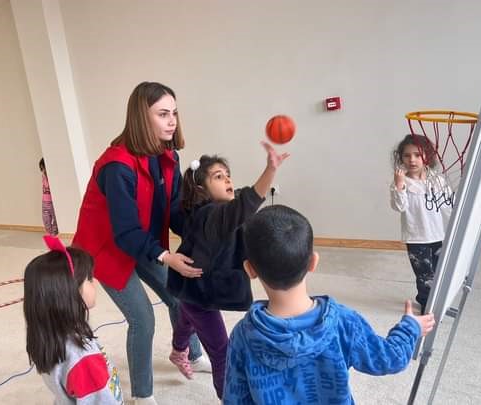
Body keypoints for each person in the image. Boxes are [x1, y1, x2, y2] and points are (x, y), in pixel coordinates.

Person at [72, 82, 208, 405]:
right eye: (163, 114)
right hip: (106, 249)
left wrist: (204, 230)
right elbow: (124, 232)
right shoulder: (117, 165)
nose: (172, 120)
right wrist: (166, 257)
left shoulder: (167, 155)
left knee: (180, 294)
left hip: (141, 240)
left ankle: (190, 352)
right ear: (140, 118)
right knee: (143, 318)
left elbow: (174, 210)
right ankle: (143, 396)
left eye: (173, 113)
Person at [223, 205, 436, 404]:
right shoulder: (343, 322)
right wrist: (410, 328)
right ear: (313, 262)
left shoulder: (243, 334)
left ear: (250, 270)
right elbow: (390, 358)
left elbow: (235, 398)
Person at [166, 142, 289, 399]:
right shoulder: (211, 214)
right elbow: (246, 204)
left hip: (195, 289)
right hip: (198, 293)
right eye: (218, 177)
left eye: (227, 175)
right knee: (223, 352)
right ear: (202, 189)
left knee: (187, 317)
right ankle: (228, 398)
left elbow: (243, 213)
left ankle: (178, 349)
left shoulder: (218, 212)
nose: (227, 180)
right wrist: (270, 170)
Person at [24, 235, 122, 404]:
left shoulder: (50, 336)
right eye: (89, 279)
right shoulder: (83, 358)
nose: (95, 282)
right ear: (69, 294)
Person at [390, 134, 453, 313]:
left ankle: (435, 299)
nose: (412, 160)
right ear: (400, 158)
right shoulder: (401, 183)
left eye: (417, 155)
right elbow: (399, 206)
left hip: (437, 235)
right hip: (416, 238)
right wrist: (399, 186)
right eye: (407, 155)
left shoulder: (437, 180)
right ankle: (427, 304)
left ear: (427, 156)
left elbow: (447, 207)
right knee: (425, 275)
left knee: (439, 272)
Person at [40, 158, 59, 236]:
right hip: (45, 201)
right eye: (41, 169)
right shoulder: (43, 176)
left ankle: (54, 232)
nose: (43, 170)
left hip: (52, 202)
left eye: (43, 168)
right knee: (46, 219)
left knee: (55, 218)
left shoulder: (51, 176)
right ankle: (50, 232)